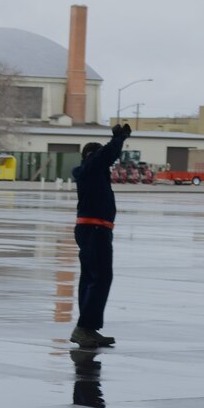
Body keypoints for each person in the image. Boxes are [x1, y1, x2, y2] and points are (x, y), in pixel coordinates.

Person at [69, 122, 132, 348]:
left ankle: (88, 328)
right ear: (91, 157)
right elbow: (106, 155)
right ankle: (84, 328)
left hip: (95, 230)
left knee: (91, 278)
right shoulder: (92, 167)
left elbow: (106, 156)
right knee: (101, 277)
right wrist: (119, 138)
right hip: (94, 230)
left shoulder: (92, 173)